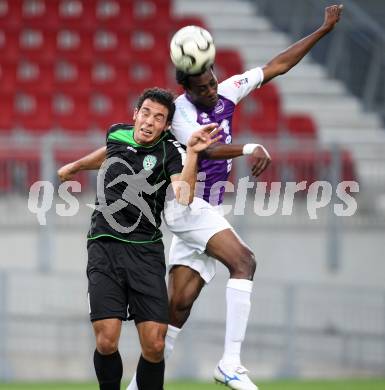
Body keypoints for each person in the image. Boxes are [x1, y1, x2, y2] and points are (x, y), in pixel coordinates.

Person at [58, 5, 343, 389]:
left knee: (176, 311)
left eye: (213, 82)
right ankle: (230, 363)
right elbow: (200, 150)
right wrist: (248, 148)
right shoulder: (177, 114)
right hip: (184, 205)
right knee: (244, 262)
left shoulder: (226, 91)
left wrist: (323, 29)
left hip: (205, 209)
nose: (212, 90)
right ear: (187, 88)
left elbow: (277, 66)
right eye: (204, 86)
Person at [83, 87, 221, 390]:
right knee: (106, 340)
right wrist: (74, 166)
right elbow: (106, 153)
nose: (149, 121)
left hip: (145, 252)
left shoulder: (171, 151)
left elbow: (183, 197)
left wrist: (194, 153)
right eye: (145, 113)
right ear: (135, 114)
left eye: (159, 118)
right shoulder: (116, 133)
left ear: (166, 126)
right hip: (104, 245)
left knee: (155, 344)